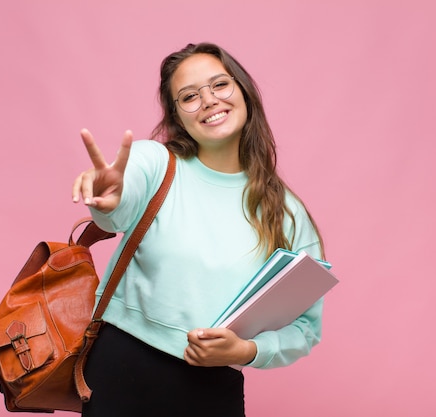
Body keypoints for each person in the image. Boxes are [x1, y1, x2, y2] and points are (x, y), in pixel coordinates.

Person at [71, 42, 326, 417]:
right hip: (120, 369)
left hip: (213, 387)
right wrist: (111, 194)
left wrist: (246, 351)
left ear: (243, 91)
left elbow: (305, 327)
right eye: (189, 96)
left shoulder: (288, 212)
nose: (208, 100)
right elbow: (117, 210)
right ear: (177, 116)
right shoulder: (156, 162)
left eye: (219, 85)